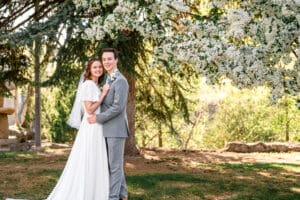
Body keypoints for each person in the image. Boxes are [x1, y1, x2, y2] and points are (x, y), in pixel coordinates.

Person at [46, 58, 110, 200]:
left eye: (100, 67)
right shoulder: (88, 85)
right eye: (95, 67)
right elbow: (90, 109)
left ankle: (95, 193)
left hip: (96, 126)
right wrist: (103, 94)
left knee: (95, 159)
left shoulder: (94, 84)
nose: (98, 69)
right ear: (89, 70)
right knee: (89, 159)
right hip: (91, 127)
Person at [87, 48, 129, 200]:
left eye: (109, 59)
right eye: (104, 59)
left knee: (115, 166)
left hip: (116, 130)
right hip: (106, 129)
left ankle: (113, 198)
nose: (106, 62)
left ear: (116, 60)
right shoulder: (107, 79)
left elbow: (118, 108)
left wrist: (97, 119)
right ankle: (123, 195)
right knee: (114, 165)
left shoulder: (121, 81)